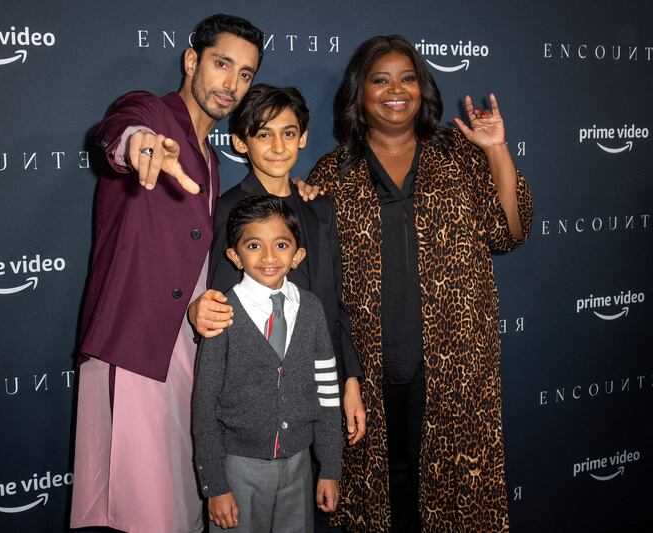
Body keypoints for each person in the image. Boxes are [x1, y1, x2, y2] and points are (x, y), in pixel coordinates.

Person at [308, 35, 533, 532]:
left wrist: (496, 150)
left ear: (423, 87)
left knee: (454, 493)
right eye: (380, 79)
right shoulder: (333, 172)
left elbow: (510, 232)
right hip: (367, 367)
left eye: (408, 78)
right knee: (385, 494)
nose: (396, 90)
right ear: (358, 92)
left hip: (455, 363)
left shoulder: (459, 154)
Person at [69, 14, 264, 533]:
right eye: (223, 64)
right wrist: (136, 143)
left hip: (185, 350)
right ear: (191, 60)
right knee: (138, 515)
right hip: (133, 345)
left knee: (177, 511)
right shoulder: (152, 112)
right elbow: (120, 128)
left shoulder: (213, 157)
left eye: (245, 74)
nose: (232, 84)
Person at [192, 195, 344, 532]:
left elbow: (329, 394)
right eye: (254, 245)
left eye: (280, 244)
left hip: (300, 467)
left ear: (297, 255)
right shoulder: (223, 313)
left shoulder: (312, 309)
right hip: (238, 469)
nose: (269, 257)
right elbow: (204, 403)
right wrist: (215, 485)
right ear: (235, 255)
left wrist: (330, 468)